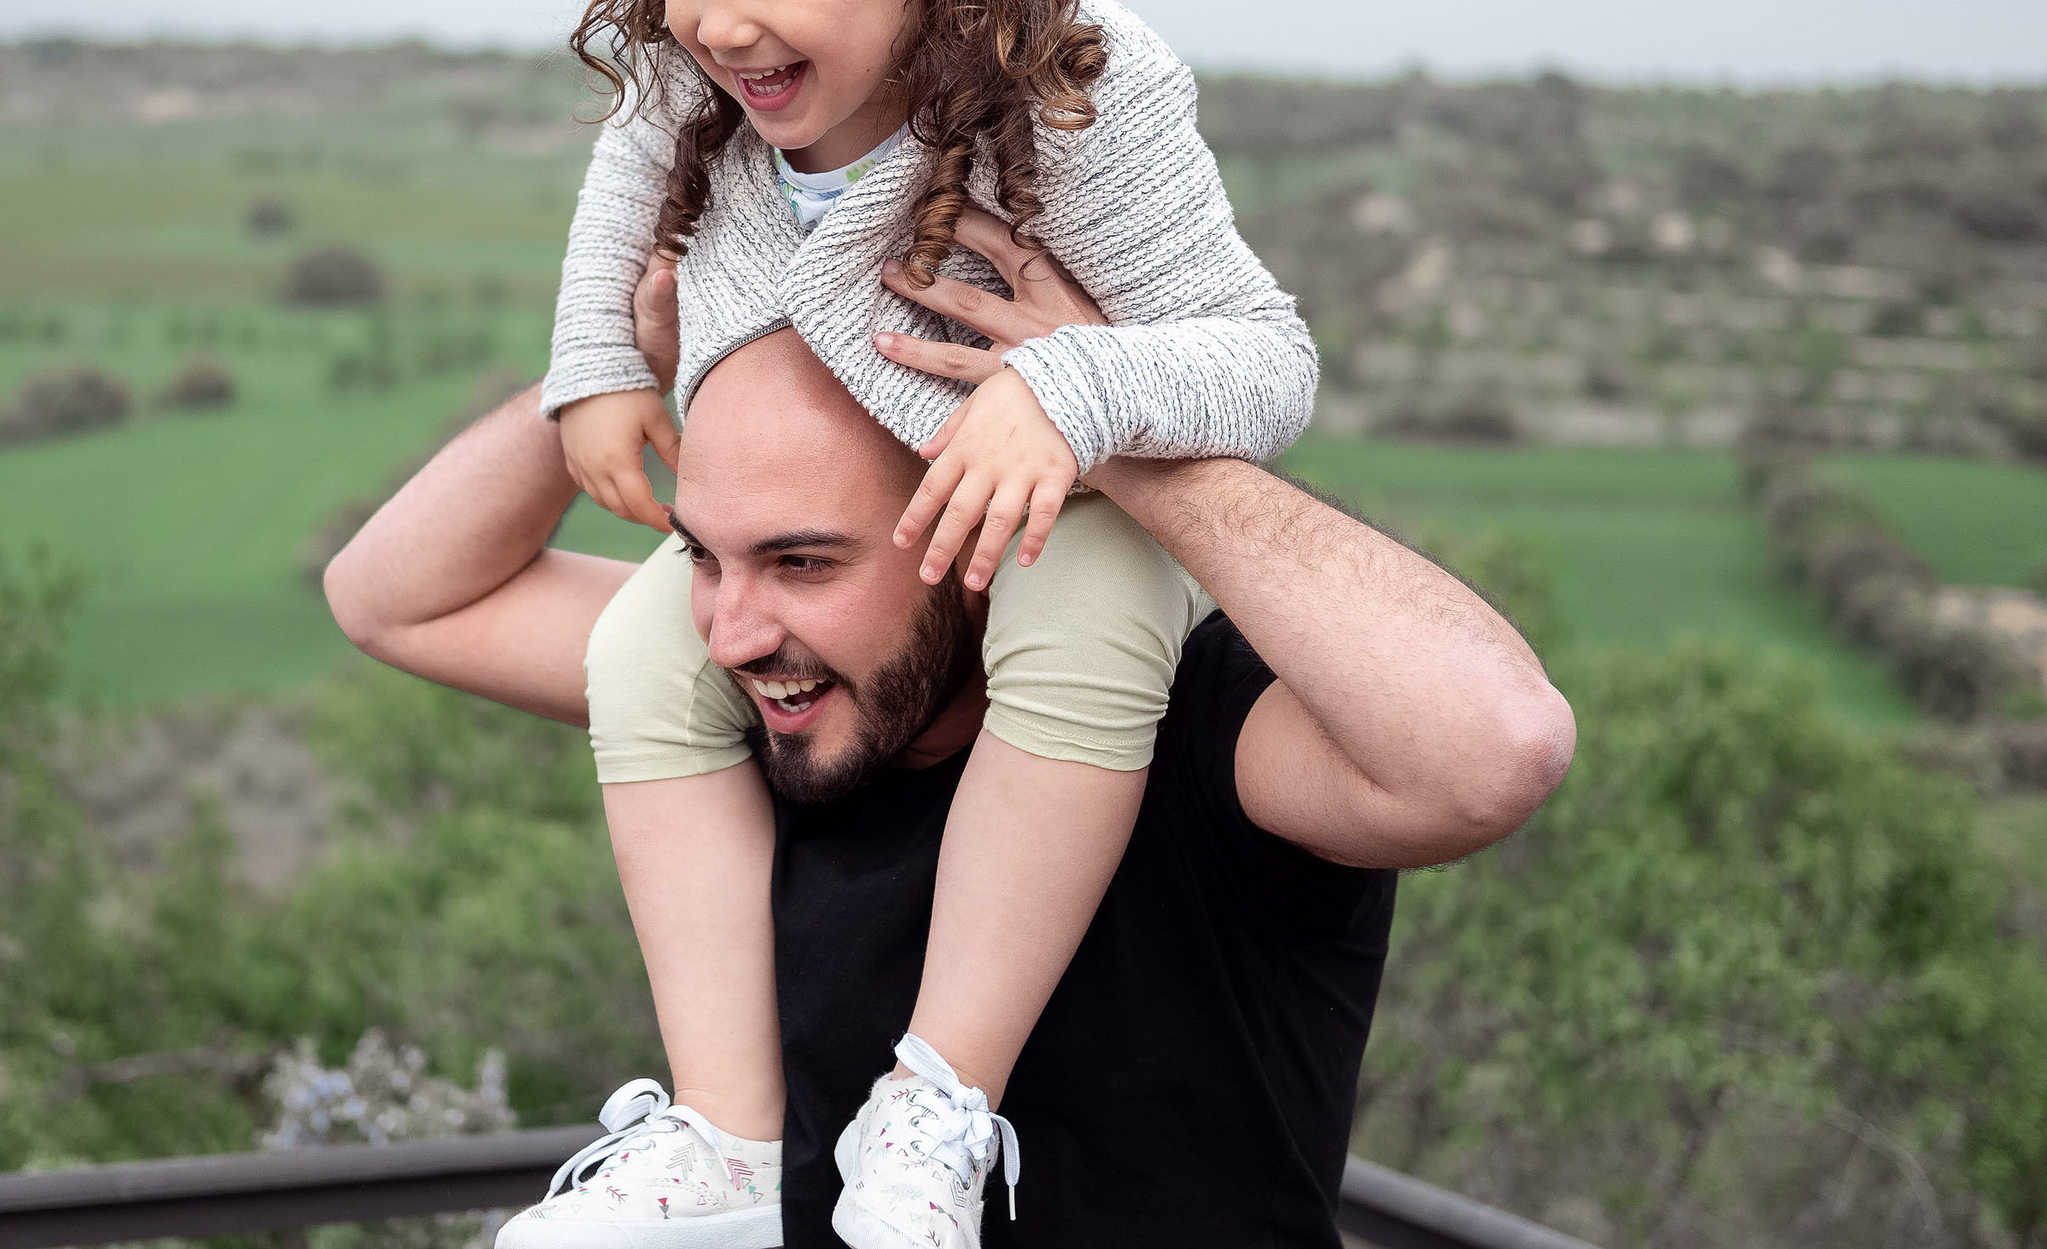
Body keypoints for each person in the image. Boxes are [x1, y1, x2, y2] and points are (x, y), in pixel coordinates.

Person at [534, 0, 1319, 1247]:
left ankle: (939, 1099)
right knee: (632, 649)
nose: (716, 21)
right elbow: (627, 170)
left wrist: (1067, 389)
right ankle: (730, 1149)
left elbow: (1266, 360)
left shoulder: (1083, 90)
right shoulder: (706, 77)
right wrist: (598, 364)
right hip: (864, 539)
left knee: (1090, 608)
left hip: (1077, 509)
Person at [324, 224, 1576, 1248]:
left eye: (803, 561)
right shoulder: (778, 688)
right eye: (703, 556)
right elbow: (394, 597)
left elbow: (1493, 750)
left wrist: (1103, 415)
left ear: (984, 539)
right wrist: (617, 355)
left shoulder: (1209, 725)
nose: (733, 630)